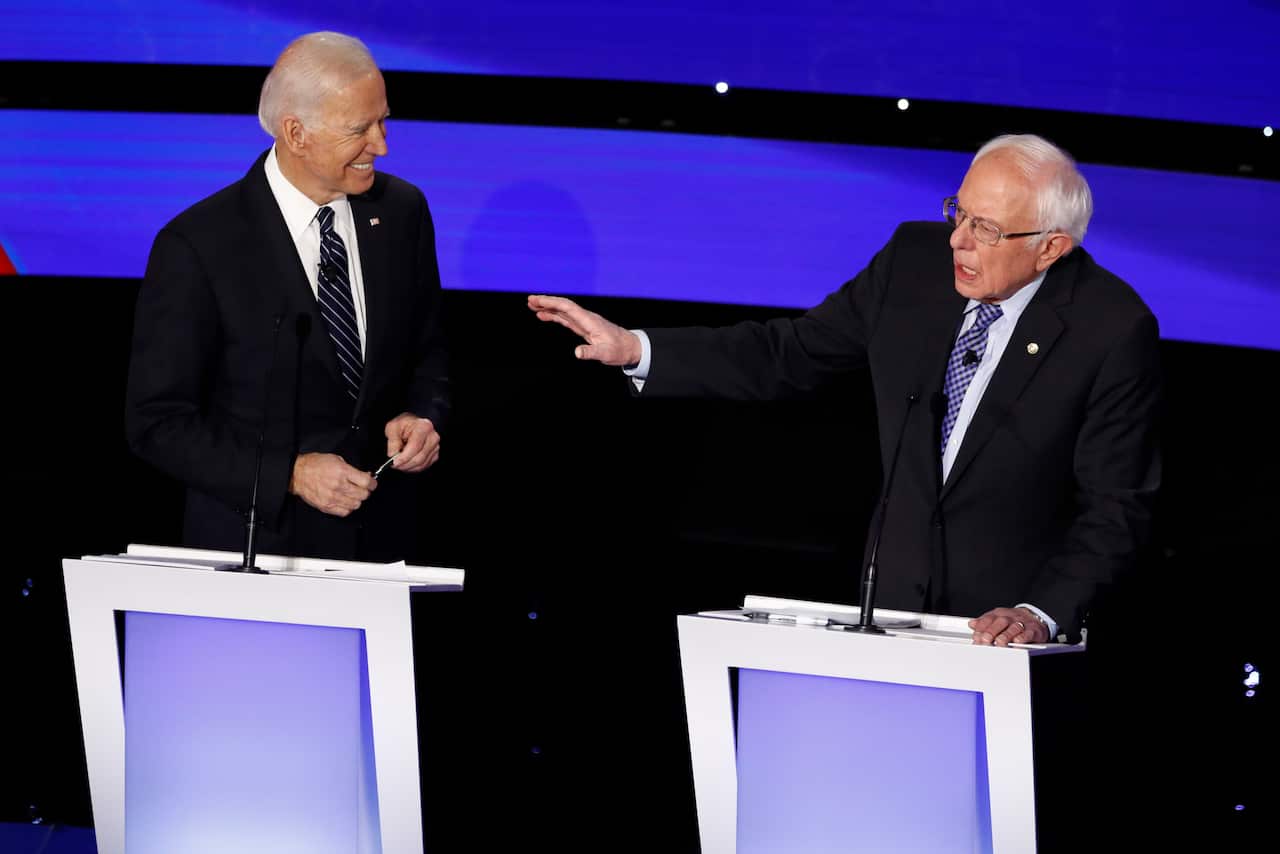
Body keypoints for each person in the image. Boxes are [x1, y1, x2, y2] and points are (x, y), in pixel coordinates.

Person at [529, 134, 1161, 645]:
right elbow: (788, 353)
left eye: (987, 229)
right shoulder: (913, 265)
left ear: (1052, 247)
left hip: (1011, 637)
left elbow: (1118, 507)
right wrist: (637, 347)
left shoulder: (1109, 328)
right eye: (959, 212)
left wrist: (1042, 611)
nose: (958, 241)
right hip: (886, 618)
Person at [126, 31, 449, 562]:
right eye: (359, 129)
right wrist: (290, 475)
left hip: (383, 549)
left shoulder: (402, 214)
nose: (382, 144)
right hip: (256, 554)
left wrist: (423, 414)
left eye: (383, 119)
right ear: (296, 133)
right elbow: (157, 423)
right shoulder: (199, 245)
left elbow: (429, 350)